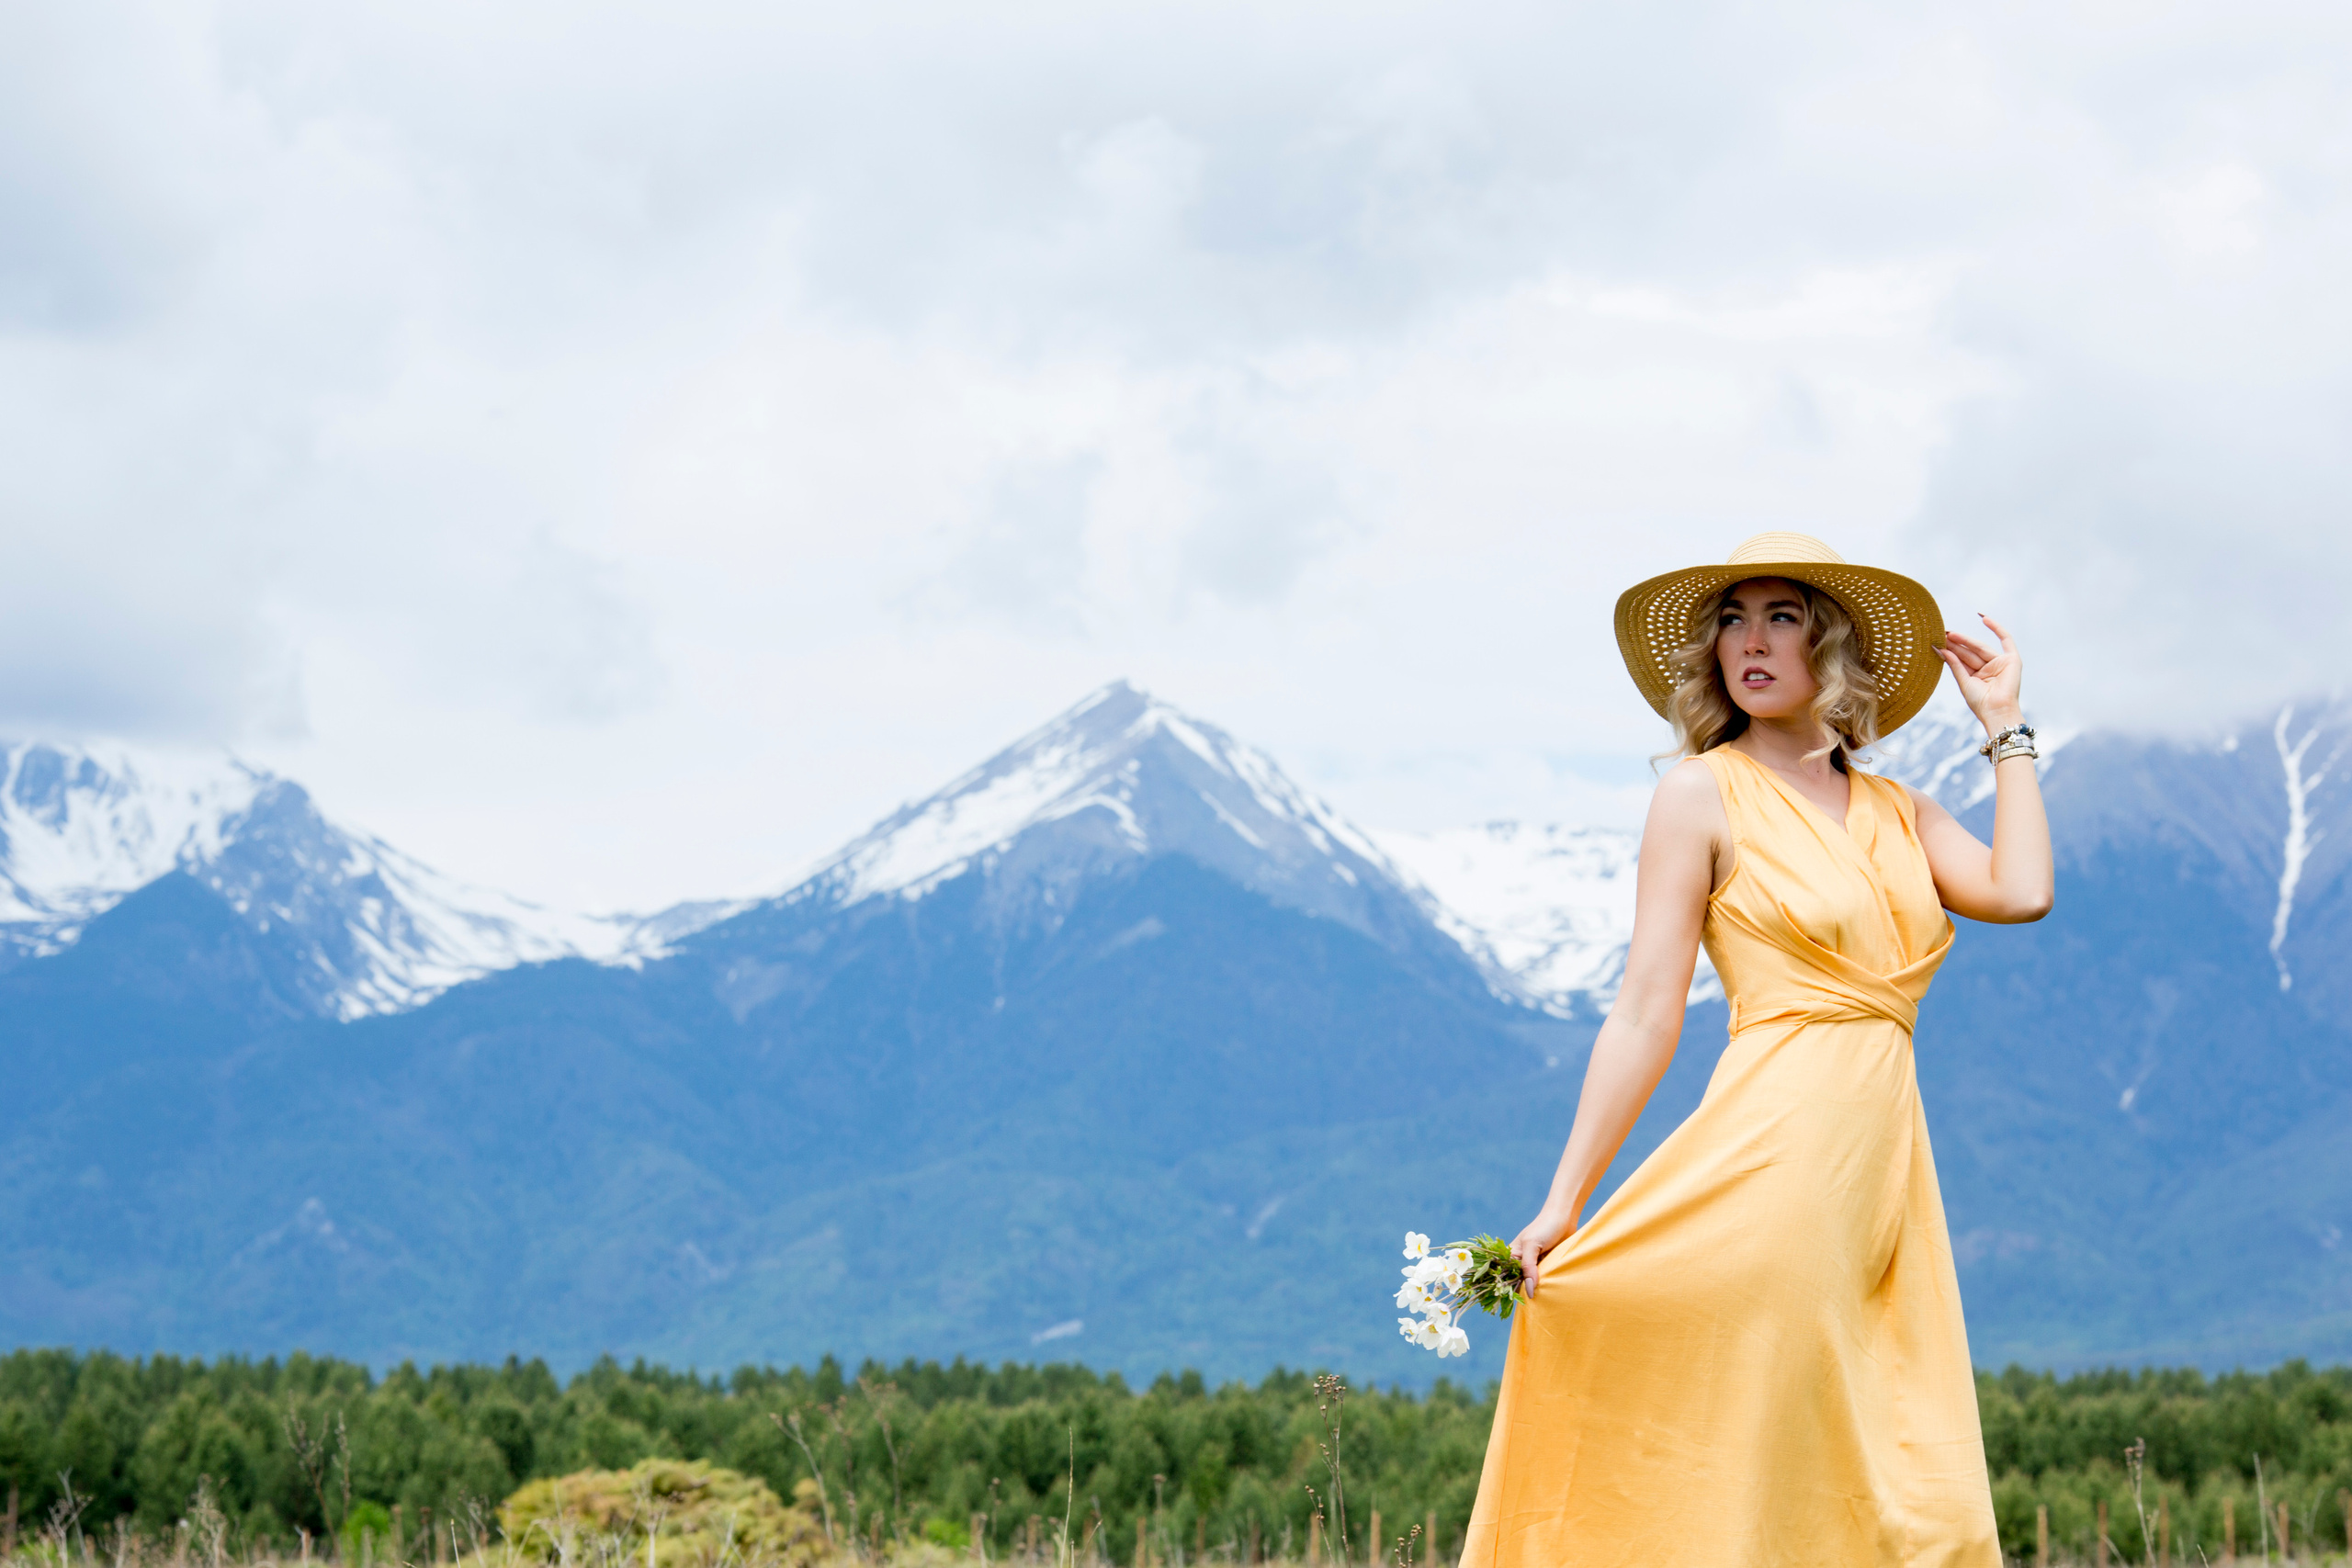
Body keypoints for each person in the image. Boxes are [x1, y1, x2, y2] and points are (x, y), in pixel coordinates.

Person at [1459, 533, 2051, 1568]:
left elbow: (2020, 891)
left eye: (1782, 616)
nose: (1750, 641)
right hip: (1772, 1150)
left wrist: (2005, 730)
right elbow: (1646, 1011)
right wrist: (1563, 1202)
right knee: (1771, 1428)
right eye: (1732, 619)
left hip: (1883, 1171)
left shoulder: (1900, 810)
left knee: (1887, 1439)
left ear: (1833, 649)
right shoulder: (1700, 793)